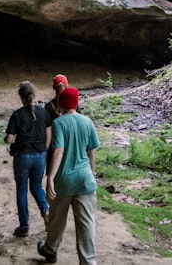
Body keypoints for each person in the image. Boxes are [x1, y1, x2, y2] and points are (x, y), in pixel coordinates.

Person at [38, 87, 100, 265]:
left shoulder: (59, 123)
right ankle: (88, 261)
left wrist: (50, 177)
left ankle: (50, 249)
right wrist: (92, 173)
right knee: (86, 224)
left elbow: (58, 151)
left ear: (60, 104)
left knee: (57, 220)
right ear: (77, 103)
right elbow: (91, 152)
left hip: (64, 180)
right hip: (85, 179)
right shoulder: (87, 121)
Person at [4, 81, 53, 237]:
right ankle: (45, 210)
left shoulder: (17, 115)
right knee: (37, 186)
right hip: (40, 154)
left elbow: (10, 139)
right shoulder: (44, 113)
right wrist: (43, 149)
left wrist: (9, 140)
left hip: (23, 156)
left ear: (21, 97)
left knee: (22, 191)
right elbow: (48, 135)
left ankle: (24, 226)